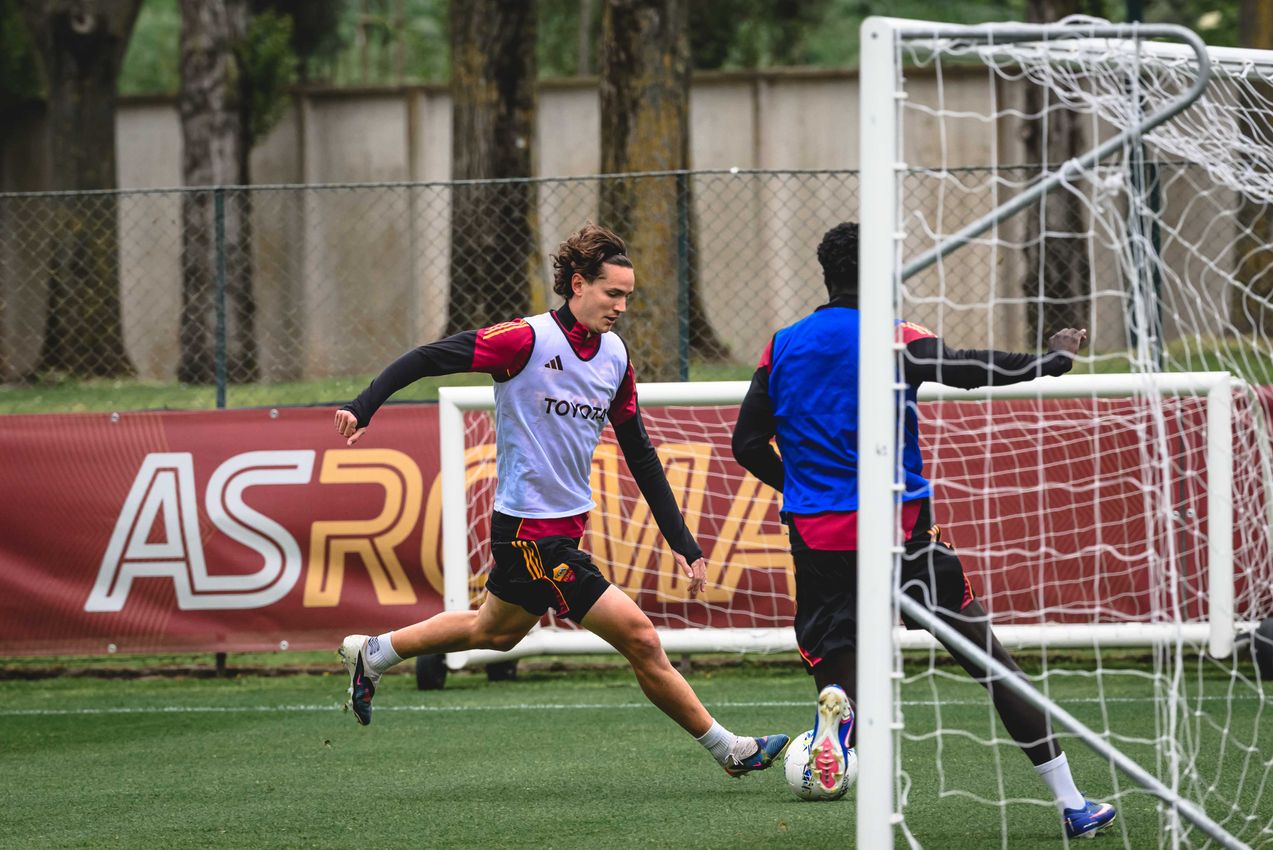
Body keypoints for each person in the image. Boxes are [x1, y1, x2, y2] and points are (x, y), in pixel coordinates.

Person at [334, 223, 788, 778]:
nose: (621, 306)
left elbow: (640, 452)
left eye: (628, 296)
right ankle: (730, 750)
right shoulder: (525, 340)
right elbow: (429, 357)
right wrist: (364, 405)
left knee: (492, 633)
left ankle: (373, 653)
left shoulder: (615, 356)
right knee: (641, 637)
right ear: (578, 284)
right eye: (612, 293)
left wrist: (684, 543)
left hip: (562, 529)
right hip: (529, 533)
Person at [731, 221, 1117, 839]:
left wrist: (801, 489)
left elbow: (746, 443)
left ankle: (840, 722)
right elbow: (972, 368)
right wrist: (1053, 358)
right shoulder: (893, 339)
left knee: (840, 655)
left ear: (826, 274)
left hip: (819, 538)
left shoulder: (782, 345)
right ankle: (1072, 802)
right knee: (993, 664)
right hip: (900, 536)